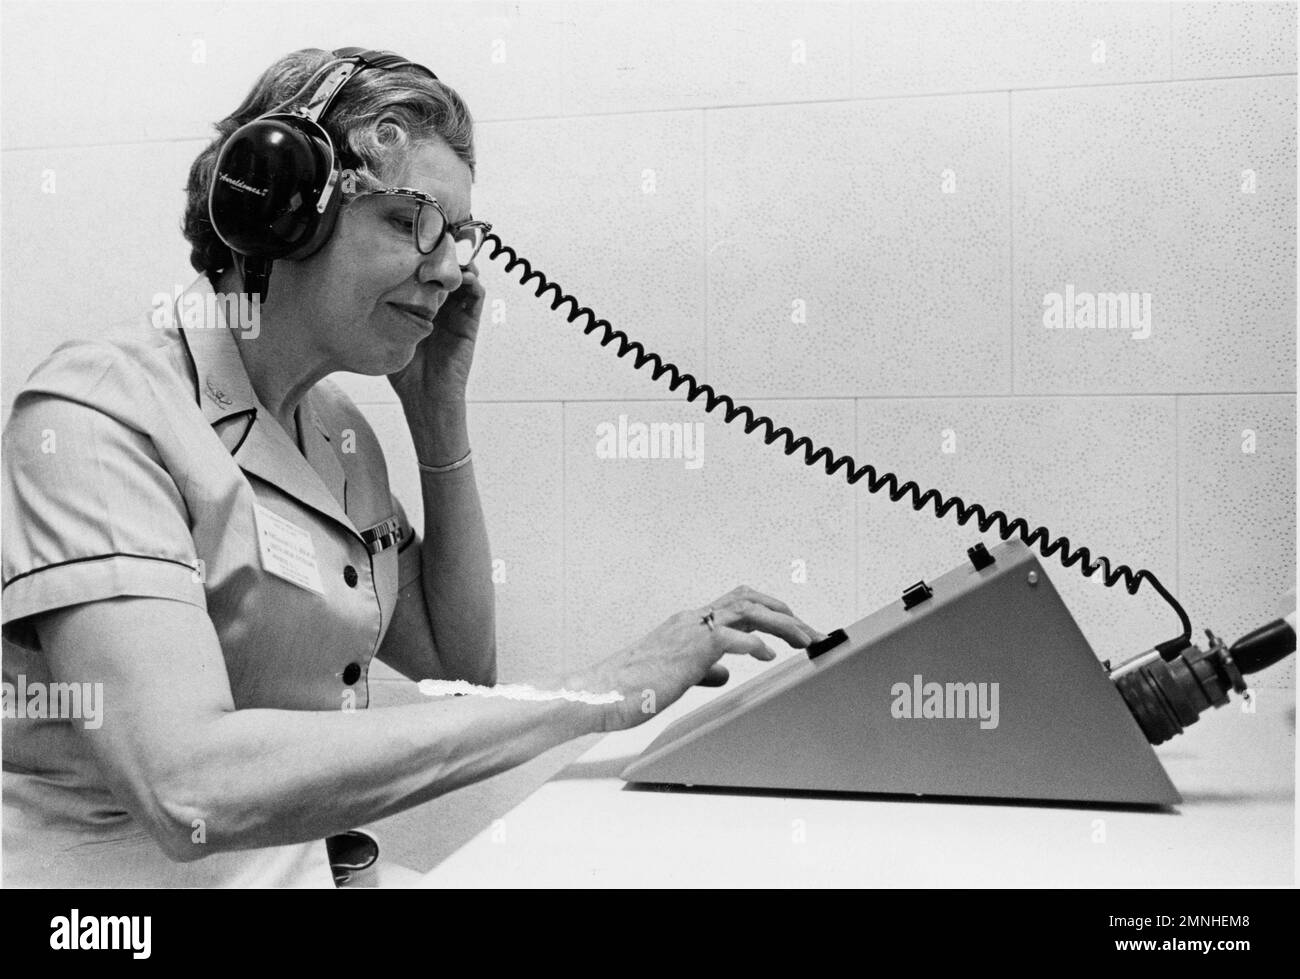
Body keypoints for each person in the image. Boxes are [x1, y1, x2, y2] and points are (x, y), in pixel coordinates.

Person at [0, 46, 823, 887]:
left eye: (463, 238)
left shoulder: (336, 434)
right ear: (280, 212)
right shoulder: (98, 414)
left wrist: (438, 421)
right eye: (412, 221)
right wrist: (599, 693)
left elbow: (458, 668)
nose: (454, 269)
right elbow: (188, 784)